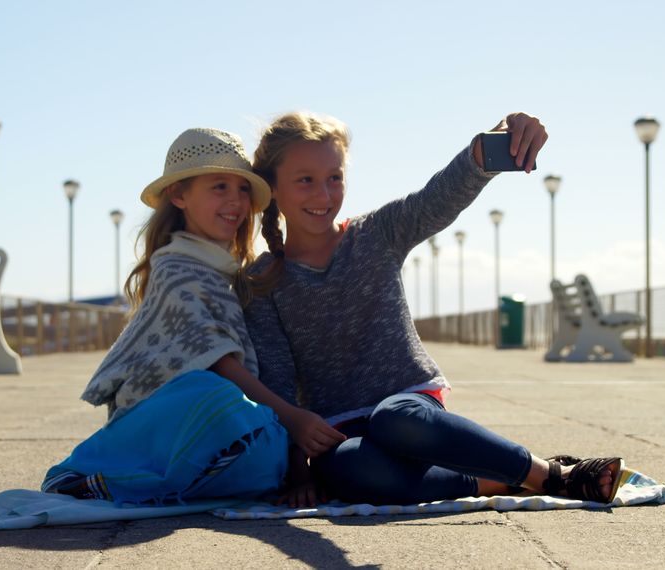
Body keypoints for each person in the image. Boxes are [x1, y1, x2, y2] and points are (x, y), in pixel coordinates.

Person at [245, 111, 625, 508]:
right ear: (272, 187)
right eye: (305, 180)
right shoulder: (264, 280)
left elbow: (436, 199)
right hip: (340, 429)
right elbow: (280, 386)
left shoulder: (375, 234)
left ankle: (551, 475)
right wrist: (300, 473)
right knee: (350, 472)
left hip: (409, 407)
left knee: (394, 419)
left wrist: (488, 149)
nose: (324, 196)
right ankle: (494, 480)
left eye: (334, 178)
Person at [42, 127, 344, 505]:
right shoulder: (175, 268)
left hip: (224, 420)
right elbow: (218, 361)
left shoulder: (233, 274)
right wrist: (292, 417)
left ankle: (188, 477)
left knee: (266, 442)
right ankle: (99, 472)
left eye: (242, 188)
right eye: (219, 186)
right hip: (167, 421)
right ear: (179, 194)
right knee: (215, 395)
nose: (235, 201)